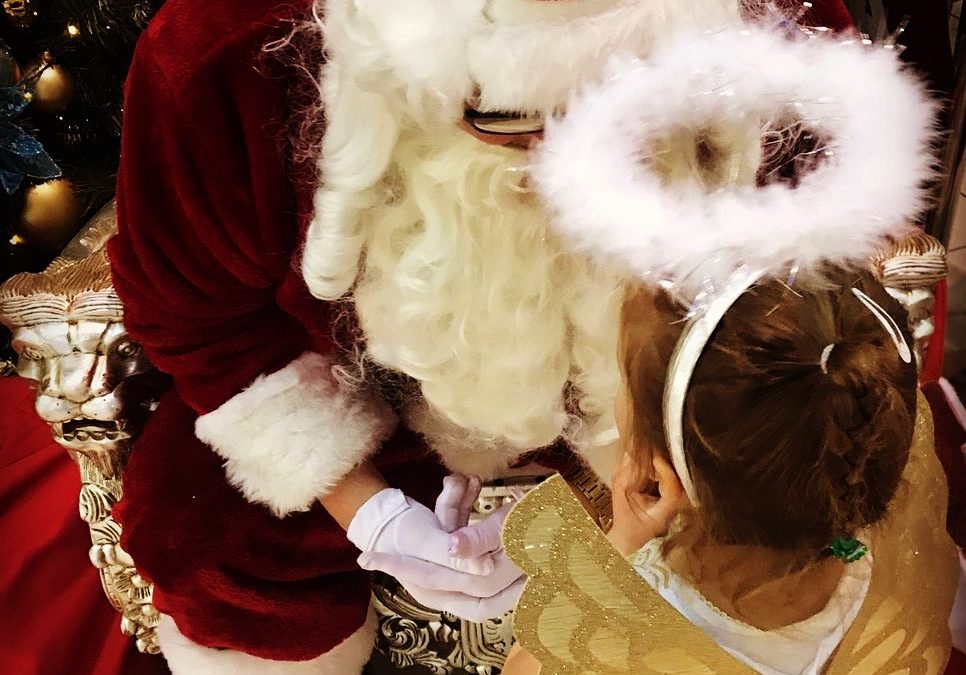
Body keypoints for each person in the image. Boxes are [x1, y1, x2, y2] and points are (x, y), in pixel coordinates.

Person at [107, 0, 858, 672]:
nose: (551, 159)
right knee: (214, 550)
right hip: (359, 407)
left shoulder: (785, 40)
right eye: (499, 119)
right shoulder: (225, 48)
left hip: (670, 418)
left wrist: (629, 510)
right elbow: (203, 320)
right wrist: (370, 511)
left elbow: (802, 318)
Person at [503, 269, 960, 674]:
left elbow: (529, 663)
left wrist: (617, 551)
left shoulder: (633, 621)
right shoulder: (882, 537)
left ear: (656, 466)